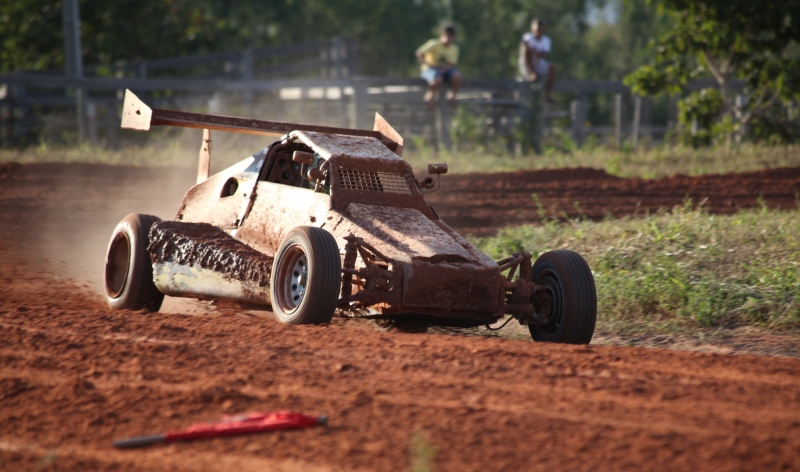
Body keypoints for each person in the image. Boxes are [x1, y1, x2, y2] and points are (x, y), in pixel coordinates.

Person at [416, 25, 461, 107]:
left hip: (445, 70)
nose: (448, 39)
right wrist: (426, 64)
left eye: (450, 36)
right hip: (430, 69)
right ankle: (430, 95)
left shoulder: (454, 49)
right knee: (437, 79)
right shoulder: (434, 44)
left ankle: (453, 95)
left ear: (453, 38)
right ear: (442, 35)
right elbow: (419, 52)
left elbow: (452, 64)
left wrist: (443, 70)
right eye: (447, 36)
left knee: (457, 76)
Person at [520, 18, 556, 102]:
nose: (538, 31)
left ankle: (548, 95)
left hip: (538, 63)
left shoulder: (546, 40)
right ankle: (532, 73)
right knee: (526, 52)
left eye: (540, 28)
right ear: (532, 29)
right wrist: (535, 53)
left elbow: (545, 53)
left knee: (552, 68)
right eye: (537, 28)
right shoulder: (528, 37)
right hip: (526, 64)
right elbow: (524, 45)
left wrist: (537, 55)